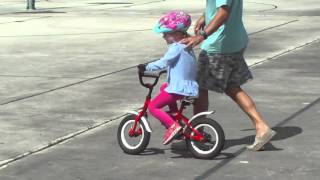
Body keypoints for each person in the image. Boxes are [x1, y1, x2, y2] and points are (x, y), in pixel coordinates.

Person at [180, 0, 276, 151]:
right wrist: (205, 16)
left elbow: (224, 11)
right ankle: (261, 126)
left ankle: (197, 132)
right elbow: (221, 6)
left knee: (200, 86)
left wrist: (201, 36)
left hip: (219, 44)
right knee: (231, 86)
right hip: (234, 40)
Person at [138, 11, 198, 145]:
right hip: (188, 85)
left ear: (177, 33)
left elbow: (164, 62)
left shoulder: (176, 47)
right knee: (164, 86)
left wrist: (146, 67)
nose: (163, 36)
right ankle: (175, 115)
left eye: (166, 33)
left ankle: (173, 126)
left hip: (178, 88)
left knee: (153, 107)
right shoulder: (186, 46)